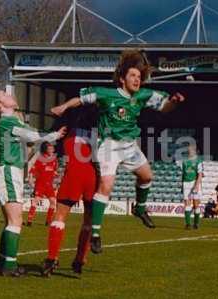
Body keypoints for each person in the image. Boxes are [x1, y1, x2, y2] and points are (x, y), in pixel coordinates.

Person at [51, 50, 185, 253]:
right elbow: (80, 99)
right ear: (122, 79)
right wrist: (63, 107)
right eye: (133, 76)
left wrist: (174, 102)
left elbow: (165, 107)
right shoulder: (106, 94)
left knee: (147, 177)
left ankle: (139, 208)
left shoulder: (143, 96)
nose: (137, 80)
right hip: (109, 146)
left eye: (139, 77)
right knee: (106, 185)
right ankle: (95, 234)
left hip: (130, 145)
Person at [0, 89, 66, 277]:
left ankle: (3, 262)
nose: (9, 94)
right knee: (15, 221)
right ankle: (9, 266)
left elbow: (30, 138)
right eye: (3, 95)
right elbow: (33, 137)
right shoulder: (8, 121)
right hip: (8, 170)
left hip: (9, 170)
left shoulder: (11, 121)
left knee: (10, 221)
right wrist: (54, 135)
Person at [41, 105, 98, 276]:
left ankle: (52, 259)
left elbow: (52, 139)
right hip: (92, 177)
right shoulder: (98, 134)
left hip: (73, 174)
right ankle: (80, 260)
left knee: (60, 216)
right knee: (88, 221)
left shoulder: (67, 131)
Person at [26, 142, 59, 226]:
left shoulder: (54, 159)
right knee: (36, 201)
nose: (52, 150)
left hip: (49, 185)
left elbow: (54, 170)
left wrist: (55, 174)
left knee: (53, 202)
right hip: (40, 184)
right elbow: (33, 169)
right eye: (50, 148)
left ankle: (48, 221)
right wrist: (30, 178)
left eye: (52, 148)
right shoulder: (40, 159)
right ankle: (29, 220)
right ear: (45, 150)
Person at [182, 144, 204, 229]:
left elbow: (200, 174)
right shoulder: (184, 161)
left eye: (191, 149)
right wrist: (182, 185)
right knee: (187, 203)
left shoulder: (198, 161)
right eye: (188, 149)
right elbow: (183, 174)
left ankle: (196, 223)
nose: (189, 151)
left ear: (194, 150)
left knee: (196, 204)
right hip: (186, 183)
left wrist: (197, 185)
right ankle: (188, 224)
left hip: (194, 183)